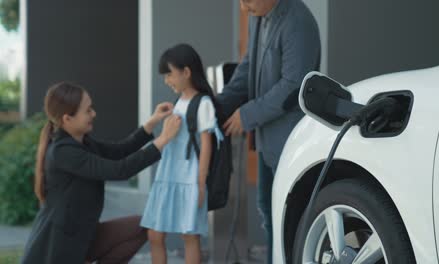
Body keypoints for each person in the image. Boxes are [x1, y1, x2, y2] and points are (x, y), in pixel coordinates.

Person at [21, 82, 181, 264]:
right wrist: (164, 139)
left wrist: (152, 123)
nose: (94, 114)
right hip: (60, 248)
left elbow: (120, 150)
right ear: (67, 119)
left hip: (83, 236)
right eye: (87, 110)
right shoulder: (63, 152)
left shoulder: (84, 143)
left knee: (143, 226)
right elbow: (120, 170)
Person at [216, 0, 321, 262]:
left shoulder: (298, 21)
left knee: (287, 218)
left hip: (289, 140)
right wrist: (215, 106)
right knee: (268, 210)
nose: (243, 7)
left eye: (248, 0)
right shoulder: (259, 15)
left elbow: (293, 86)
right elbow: (247, 68)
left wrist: (247, 114)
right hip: (266, 140)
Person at [140, 44, 224, 264]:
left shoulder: (203, 103)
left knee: (189, 235)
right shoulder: (178, 102)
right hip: (168, 172)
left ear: (186, 72)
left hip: (190, 174)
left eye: (169, 74)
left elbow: (206, 144)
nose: (167, 80)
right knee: (155, 234)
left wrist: (200, 182)